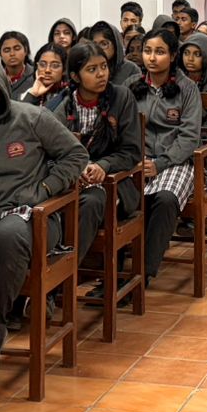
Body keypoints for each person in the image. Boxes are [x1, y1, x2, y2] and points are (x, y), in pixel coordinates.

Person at [0, 49, 89, 388]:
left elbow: (75, 155)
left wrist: (46, 188)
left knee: (7, 237)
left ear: (1, 90)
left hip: (29, 217)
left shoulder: (31, 118)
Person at [51, 42, 140, 274]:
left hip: (115, 182)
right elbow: (52, 151)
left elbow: (132, 151)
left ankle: (64, 276)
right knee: (45, 205)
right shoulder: (66, 105)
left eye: (103, 66)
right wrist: (76, 169)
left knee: (92, 202)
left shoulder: (121, 97)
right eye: (92, 69)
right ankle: (49, 270)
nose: (101, 74)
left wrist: (103, 165)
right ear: (75, 76)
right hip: (75, 181)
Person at [134, 27, 202, 276]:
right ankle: (114, 267)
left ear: (173, 56)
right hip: (139, 160)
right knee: (121, 196)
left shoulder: (188, 89)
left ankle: (144, 273)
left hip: (176, 161)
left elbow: (189, 137)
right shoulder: (133, 87)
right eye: (147, 51)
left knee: (164, 199)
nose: (152, 58)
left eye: (160, 52)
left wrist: (160, 163)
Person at [87, 19, 142, 87]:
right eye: (95, 44)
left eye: (104, 44)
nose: (99, 49)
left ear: (116, 45)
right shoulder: (89, 68)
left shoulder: (131, 69)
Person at [19, 42, 68, 108]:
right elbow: (20, 113)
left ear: (64, 69)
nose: (47, 70)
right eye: (42, 65)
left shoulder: (70, 95)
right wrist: (33, 94)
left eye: (55, 66)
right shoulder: (28, 93)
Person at [0, 30, 34, 98]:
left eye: (17, 49)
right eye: (7, 50)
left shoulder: (36, 76)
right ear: (0, 55)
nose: (12, 54)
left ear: (26, 51)